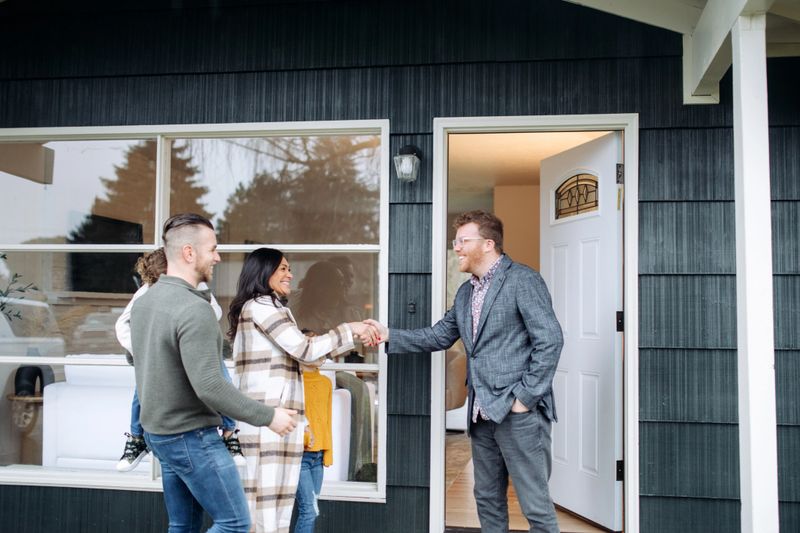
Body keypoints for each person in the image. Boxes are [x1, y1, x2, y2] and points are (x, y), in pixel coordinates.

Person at [365, 210, 564, 533]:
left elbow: (550, 340)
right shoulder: (465, 293)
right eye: (455, 241)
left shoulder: (523, 280)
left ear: (488, 244)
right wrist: (389, 334)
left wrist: (524, 398)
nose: (455, 247)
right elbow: (439, 336)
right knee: (486, 498)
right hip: (481, 414)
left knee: (535, 505)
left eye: (462, 240)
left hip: (518, 415)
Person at [129, 213, 298, 533]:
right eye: (213, 249)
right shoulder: (195, 308)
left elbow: (141, 359)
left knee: (183, 524)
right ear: (188, 253)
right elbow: (210, 386)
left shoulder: (145, 303)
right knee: (235, 523)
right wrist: (269, 416)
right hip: (192, 437)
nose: (218, 257)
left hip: (160, 435)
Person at [227, 248, 378, 533]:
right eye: (283, 269)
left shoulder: (271, 307)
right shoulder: (261, 307)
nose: (290, 274)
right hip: (267, 422)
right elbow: (305, 349)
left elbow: (306, 357)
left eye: (289, 268)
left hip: (274, 423)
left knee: (272, 508)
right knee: (266, 512)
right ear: (264, 272)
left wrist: (351, 337)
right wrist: (350, 329)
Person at [114, 247, 245, 472]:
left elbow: (215, 312)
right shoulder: (147, 292)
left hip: (195, 348)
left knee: (221, 379)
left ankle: (229, 434)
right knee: (141, 390)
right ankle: (137, 438)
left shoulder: (197, 287)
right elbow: (122, 324)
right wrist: (143, 350)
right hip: (162, 354)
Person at [293, 260, 376, 481]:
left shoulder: (350, 310)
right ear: (321, 286)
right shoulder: (296, 306)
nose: (344, 287)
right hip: (299, 367)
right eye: (338, 282)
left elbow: (354, 354)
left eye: (344, 282)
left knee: (360, 390)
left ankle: (362, 462)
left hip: (332, 366)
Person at [294, 345, 333, 533]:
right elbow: (293, 415)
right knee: (308, 511)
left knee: (313, 510)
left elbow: (327, 419)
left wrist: (328, 452)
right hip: (300, 457)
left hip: (317, 457)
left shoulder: (326, 383)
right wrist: (304, 436)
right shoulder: (294, 382)